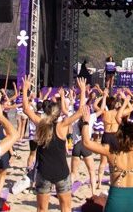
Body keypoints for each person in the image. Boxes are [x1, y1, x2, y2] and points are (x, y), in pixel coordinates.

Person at [79, 81, 133, 212]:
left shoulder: (111, 152)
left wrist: (86, 121)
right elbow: (132, 108)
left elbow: (86, 142)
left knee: (101, 163)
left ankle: (99, 181)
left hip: (115, 200)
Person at [21, 76, 85, 212]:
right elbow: (80, 112)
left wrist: (25, 89)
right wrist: (83, 90)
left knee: (42, 209)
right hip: (62, 171)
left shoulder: (41, 124)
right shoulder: (61, 126)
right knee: (66, 208)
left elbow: (26, 109)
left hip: (44, 172)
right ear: (58, 114)